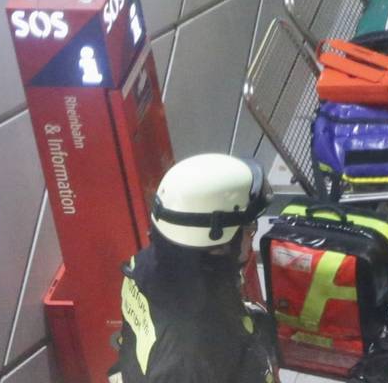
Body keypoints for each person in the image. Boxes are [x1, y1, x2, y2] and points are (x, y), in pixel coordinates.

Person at [112, 154, 278, 382]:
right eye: (249, 227)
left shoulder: (145, 266)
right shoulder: (192, 353)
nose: (252, 235)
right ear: (219, 245)